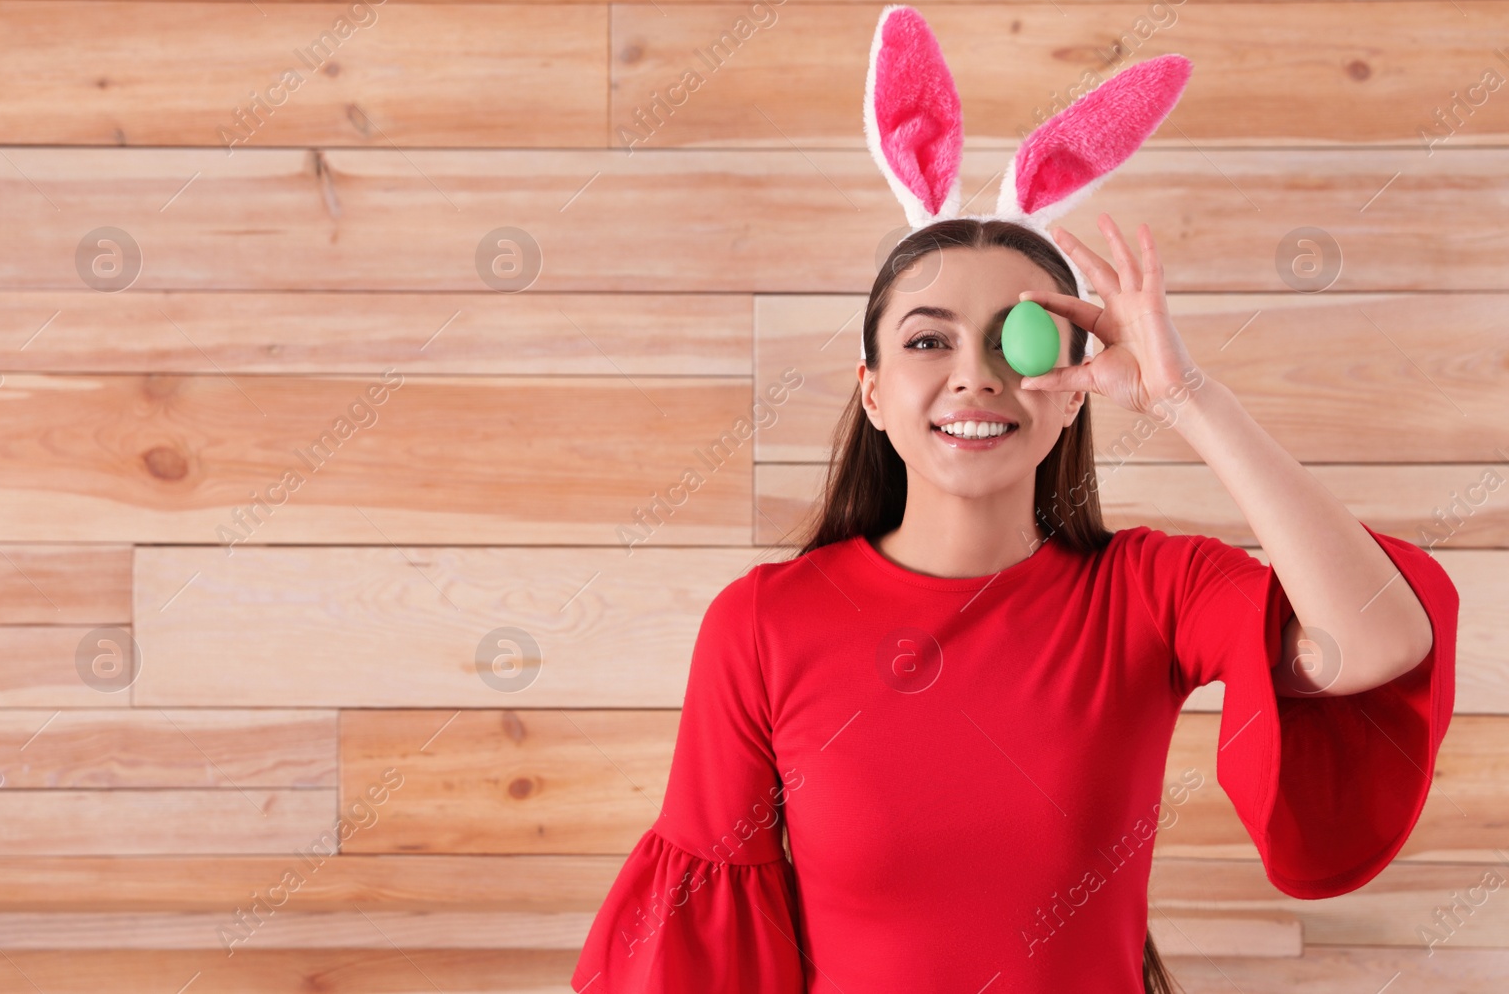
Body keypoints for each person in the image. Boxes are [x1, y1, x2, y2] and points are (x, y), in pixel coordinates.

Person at [569, 213, 1457, 993]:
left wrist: (1185, 397)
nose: (976, 376)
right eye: (928, 341)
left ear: (1072, 392)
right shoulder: (762, 622)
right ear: (873, 391)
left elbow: (1373, 641)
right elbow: (707, 950)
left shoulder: (1151, 592)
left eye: (1014, 337)